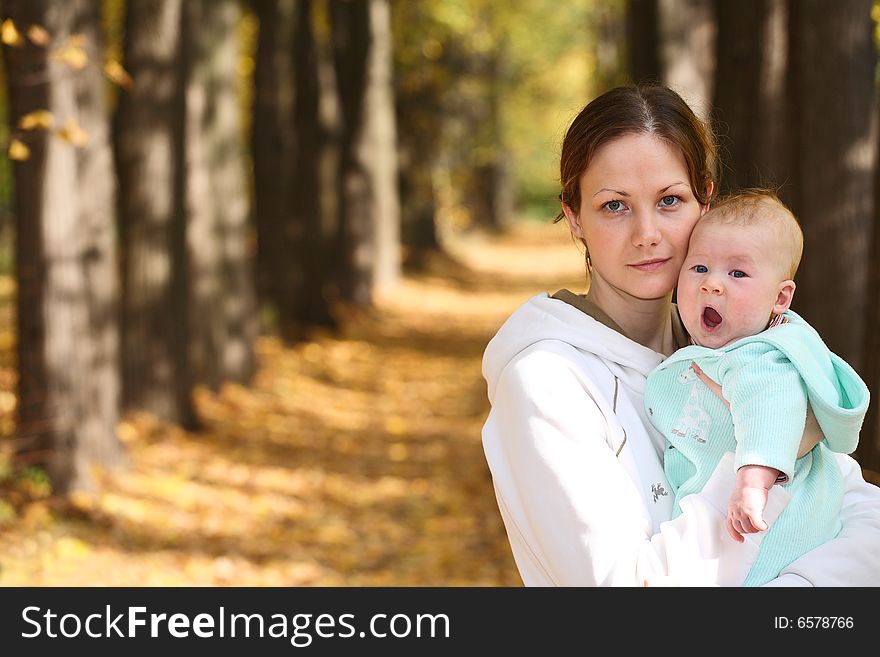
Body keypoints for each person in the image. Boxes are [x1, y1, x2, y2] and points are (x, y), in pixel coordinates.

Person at [480, 83, 880, 586]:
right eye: (614, 206)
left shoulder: (735, 344)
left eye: (669, 200)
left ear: (705, 200)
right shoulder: (546, 383)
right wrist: (761, 461)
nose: (647, 232)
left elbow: (862, 516)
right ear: (575, 215)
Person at [644, 190, 869, 587]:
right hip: (737, 524)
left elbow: (771, 406)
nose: (712, 284)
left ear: (780, 298)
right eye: (698, 267)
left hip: (766, 525)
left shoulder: (765, 357)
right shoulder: (732, 349)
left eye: (738, 274)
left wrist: (752, 480)